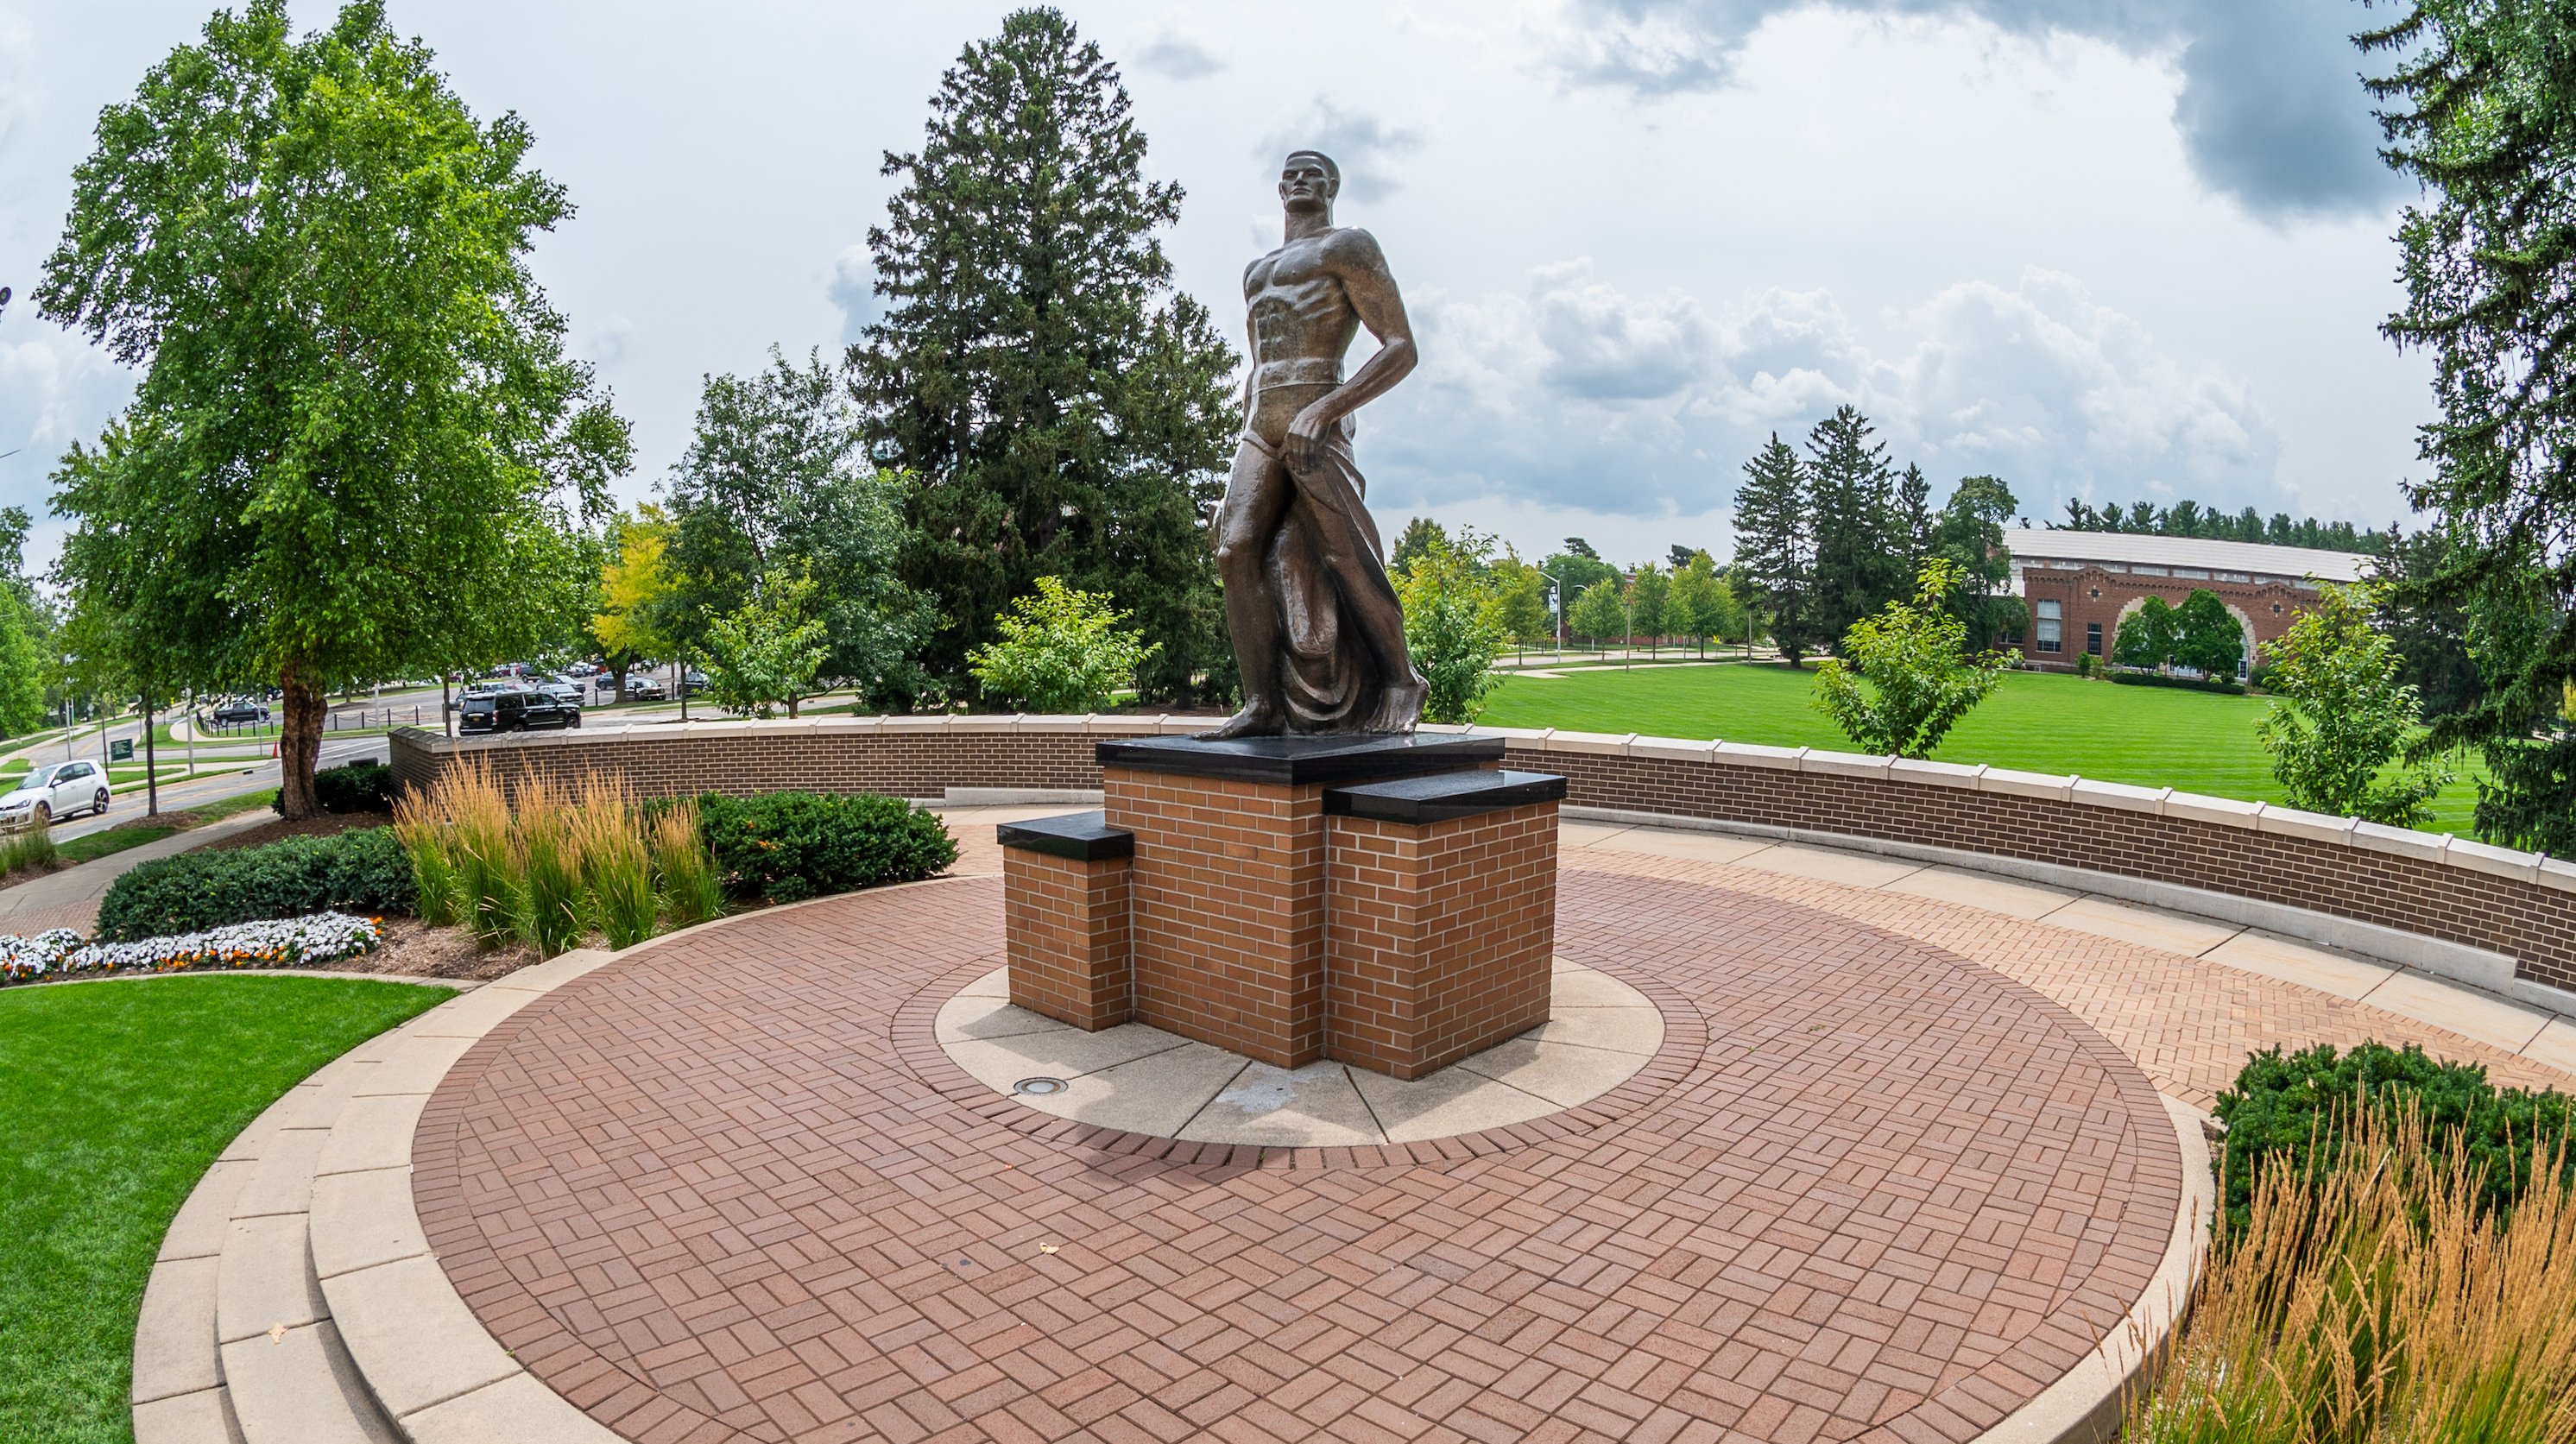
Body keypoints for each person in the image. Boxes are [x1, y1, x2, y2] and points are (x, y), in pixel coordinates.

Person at [1203, 149, 1428, 737]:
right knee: (1234, 549)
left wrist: (1329, 410)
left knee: (1345, 553)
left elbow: (1401, 346)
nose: (1300, 177)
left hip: (1317, 409)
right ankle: (1261, 704)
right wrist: (1238, 471)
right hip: (1262, 419)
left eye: (1314, 171)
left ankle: (1403, 678)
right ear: (1280, 189)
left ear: (1331, 185)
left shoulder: (1348, 247)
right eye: (1291, 172)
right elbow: (1257, 367)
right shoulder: (1256, 271)